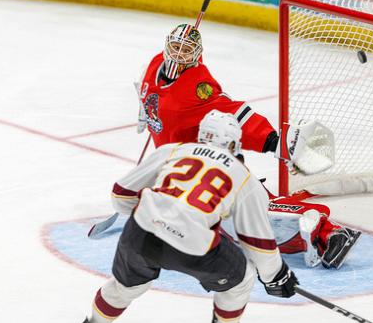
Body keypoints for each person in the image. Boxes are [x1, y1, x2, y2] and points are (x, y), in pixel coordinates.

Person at [134, 23, 360, 269]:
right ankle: (311, 231)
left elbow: (236, 113)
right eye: (175, 46)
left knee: (250, 220)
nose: (179, 54)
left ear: (198, 53)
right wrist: (145, 111)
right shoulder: (156, 64)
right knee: (233, 225)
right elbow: (147, 91)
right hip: (178, 171)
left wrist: (272, 141)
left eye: (186, 50)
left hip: (204, 166)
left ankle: (327, 231)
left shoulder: (199, 86)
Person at [73, 111, 299, 323]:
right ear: (233, 142)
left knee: (128, 283)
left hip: (140, 231)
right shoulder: (244, 176)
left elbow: (121, 194)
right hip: (192, 245)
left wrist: (155, 215)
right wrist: (275, 275)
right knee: (242, 277)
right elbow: (256, 240)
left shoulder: (173, 150)